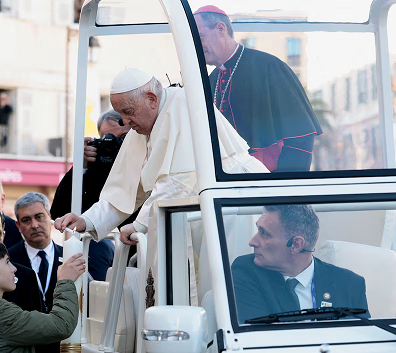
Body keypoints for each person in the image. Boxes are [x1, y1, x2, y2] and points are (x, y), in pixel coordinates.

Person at [55, 67, 268, 245]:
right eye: (121, 114)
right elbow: (123, 190)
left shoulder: (183, 105)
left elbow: (179, 181)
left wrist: (139, 225)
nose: (125, 121)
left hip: (235, 203)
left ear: (151, 99)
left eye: (128, 111)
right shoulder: (141, 125)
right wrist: (86, 220)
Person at [194, 6, 322, 172]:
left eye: (201, 37)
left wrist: (283, 184)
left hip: (269, 182)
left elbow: (300, 137)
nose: (197, 45)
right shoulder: (211, 81)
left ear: (220, 29)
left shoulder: (269, 67)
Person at [231, 205, 370, 324]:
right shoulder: (245, 271)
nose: (252, 242)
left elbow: (363, 343)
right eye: (258, 230)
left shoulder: (350, 284)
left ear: (296, 244)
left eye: (265, 234)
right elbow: (258, 337)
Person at [51, 110, 128, 281]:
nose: (114, 144)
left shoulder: (144, 162)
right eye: (108, 138)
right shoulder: (98, 171)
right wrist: (80, 165)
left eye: (122, 138)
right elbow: (59, 212)